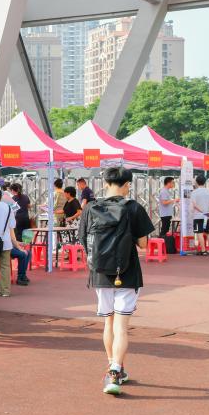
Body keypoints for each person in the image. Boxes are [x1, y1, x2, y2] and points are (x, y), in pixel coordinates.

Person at [79, 167, 154, 395]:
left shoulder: (90, 208)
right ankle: (115, 371)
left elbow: (83, 241)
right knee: (121, 327)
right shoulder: (133, 208)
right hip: (127, 273)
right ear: (127, 184)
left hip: (100, 274)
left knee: (108, 323)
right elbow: (143, 245)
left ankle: (113, 367)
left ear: (105, 183)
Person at [191, 175, 209, 255]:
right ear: (205, 182)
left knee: (199, 233)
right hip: (207, 215)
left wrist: (201, 210)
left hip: (197, 216)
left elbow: (194, 205)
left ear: (196, 182)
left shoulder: (194, 192)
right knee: (208, 233)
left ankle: (203, 250)